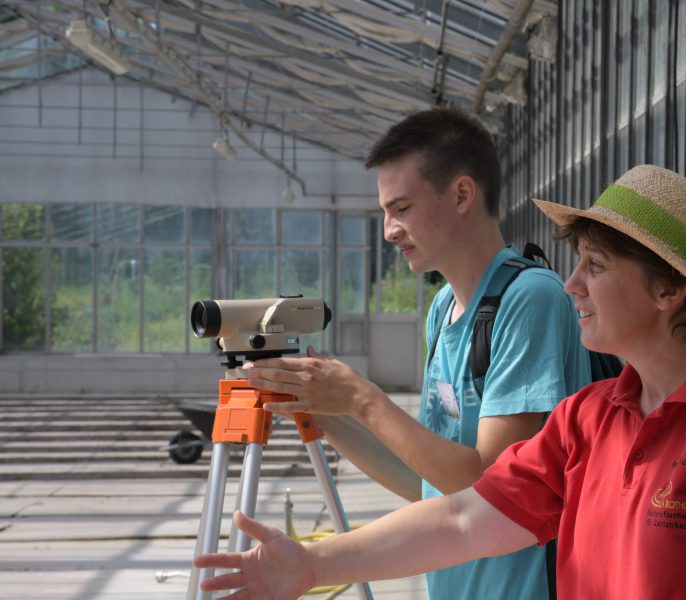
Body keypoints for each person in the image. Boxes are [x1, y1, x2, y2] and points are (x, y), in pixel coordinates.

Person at [196, 164, 686, 599]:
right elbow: (463, 519)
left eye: (595, 266)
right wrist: (313, 564)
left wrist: (361, 400)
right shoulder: (589, 417)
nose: (571, 284)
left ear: (669, 290)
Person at [239, 107, 591, 599]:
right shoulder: (443, 309)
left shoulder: (530, 299)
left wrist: (362, 398)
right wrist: (322, 411)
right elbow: (427, 480)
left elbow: (490, 489)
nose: (389, 230)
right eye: (386, 212)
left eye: (401, 208)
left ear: (463, 194)